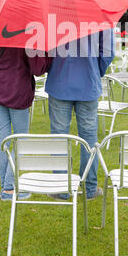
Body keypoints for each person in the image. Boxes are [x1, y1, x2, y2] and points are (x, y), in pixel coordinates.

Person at [45, 30, 115, 201]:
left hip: (59, 82)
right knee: (89, 138)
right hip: (87, 83)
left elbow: (44, 51)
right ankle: (89, 188)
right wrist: (94, 71)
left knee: (60, 137)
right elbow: (108, 52)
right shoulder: (100, 16)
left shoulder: (53, 14)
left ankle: (62, 188)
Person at [0, 42, 51, 201]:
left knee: (3, 137)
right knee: (21, 139)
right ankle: (9, 187)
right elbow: (37, 69)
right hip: (18, 89)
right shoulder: (30, 35)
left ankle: (6, 186)